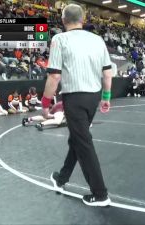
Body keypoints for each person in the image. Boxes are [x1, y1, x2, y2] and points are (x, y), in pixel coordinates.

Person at [42, 4, 112, 207]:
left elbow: (54, 76)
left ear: (63, 20)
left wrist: (46, 103)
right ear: (83, 18)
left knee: (83, 143)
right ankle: (61, 178)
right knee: (78, 139)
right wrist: (106, 97)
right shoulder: (97, 39)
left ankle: (100, 194)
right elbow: (107, 73)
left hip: (74, 99)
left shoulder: (59, 39)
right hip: (93, 97)